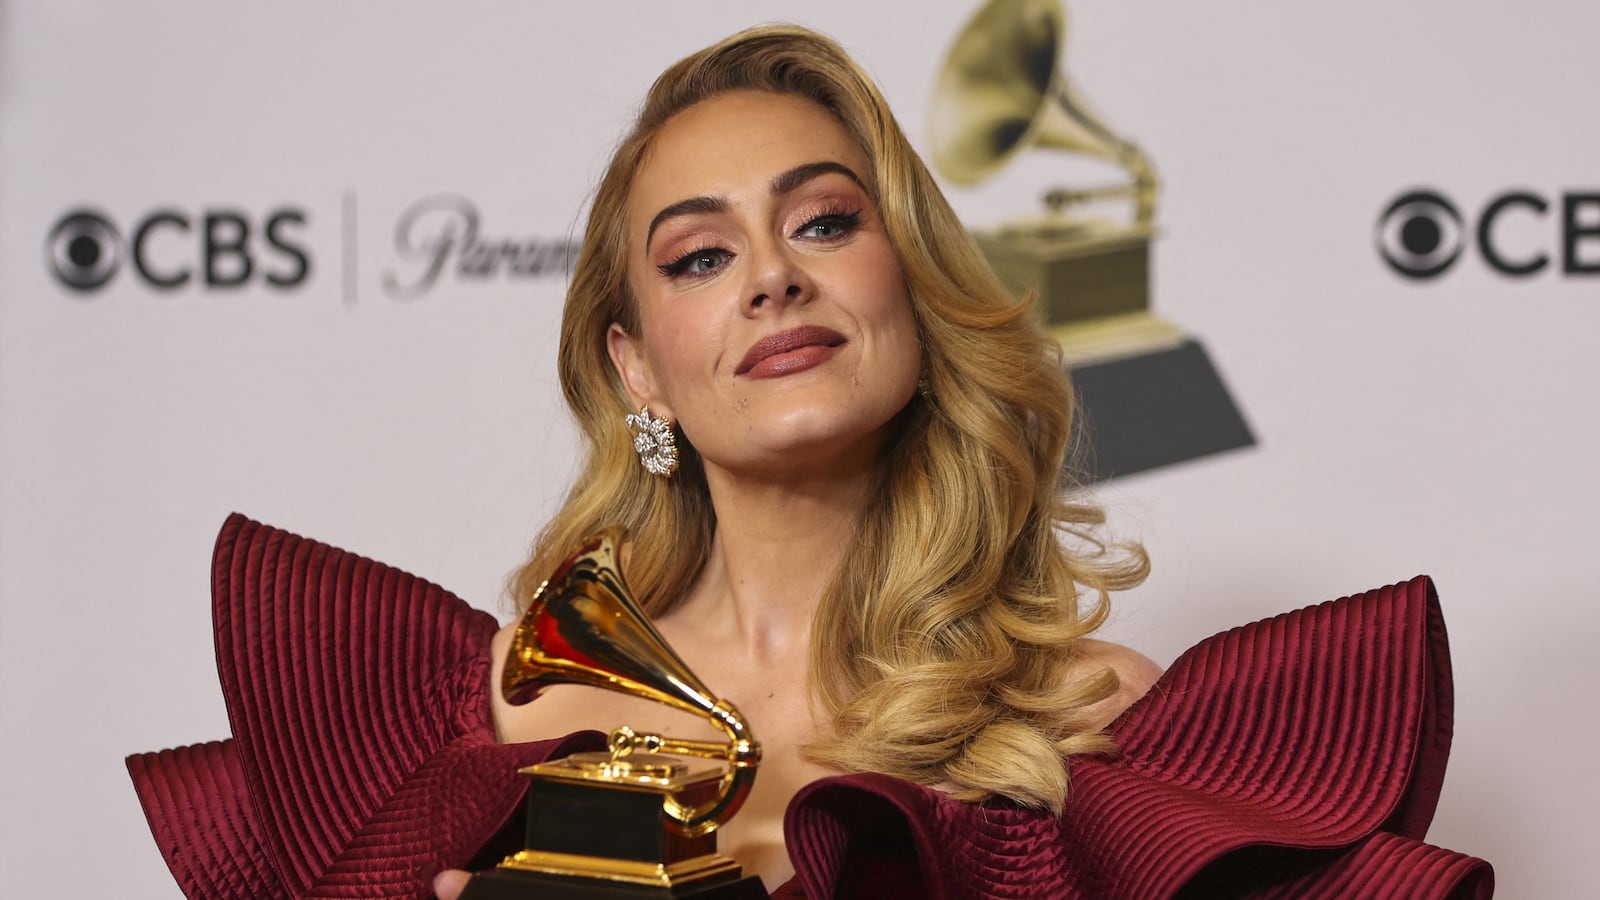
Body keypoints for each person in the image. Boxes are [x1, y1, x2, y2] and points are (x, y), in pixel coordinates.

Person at [129, 25, 1493, 900]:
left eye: (825, 223)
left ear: (914, 289)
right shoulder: (475, 721)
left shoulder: (1105, 730)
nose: (773, 278)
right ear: (638, 367)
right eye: (701, 256)